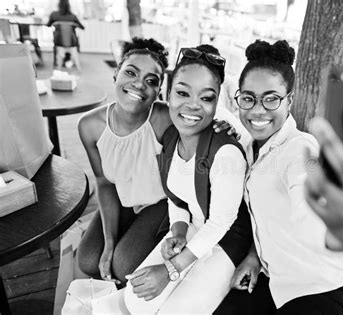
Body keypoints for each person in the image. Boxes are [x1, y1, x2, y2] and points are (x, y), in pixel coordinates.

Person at [215, 39, 343, 315]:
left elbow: (308, 187)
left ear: (290, 100)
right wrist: (253, 256)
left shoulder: (299, 148)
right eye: (248, 98)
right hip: (276, 284)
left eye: (271, 98)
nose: (257, 110)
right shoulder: (249, 147)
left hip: (323, 289)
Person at [77, 38, 238, 287]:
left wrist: (223, 127)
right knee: (88, 260)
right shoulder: (89, 126)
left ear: (159, 91)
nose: (139, 84)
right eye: (130, 72)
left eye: (152, 81)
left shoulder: (165, 117)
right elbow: (104, 183)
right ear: (115, 74)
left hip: (161, 204)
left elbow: (197, 116)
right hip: (122, 200)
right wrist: (108, 242)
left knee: (124, 265)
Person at [117, 44, 252, 314]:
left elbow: (221, 222)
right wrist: (177, 232)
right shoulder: (170, 138)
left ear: (217, 103)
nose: (193, 105)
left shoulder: (225, 152)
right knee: (136, 300)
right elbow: (176, 199)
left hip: (224, 240)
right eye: (182, 93)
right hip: (192, 228)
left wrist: (171, 269)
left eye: (206, 98)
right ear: (168, 94)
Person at [46, 0, 85, 69]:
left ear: (59, 5)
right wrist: (74, 25)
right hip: (72, 42)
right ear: (69, 6)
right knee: (74, 38)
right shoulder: (73, 16)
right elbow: (82, 27)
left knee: (59, 46)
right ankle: (68, 59)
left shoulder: (54, 15)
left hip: (59, 42)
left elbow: (48, 25)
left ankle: (60, 64)